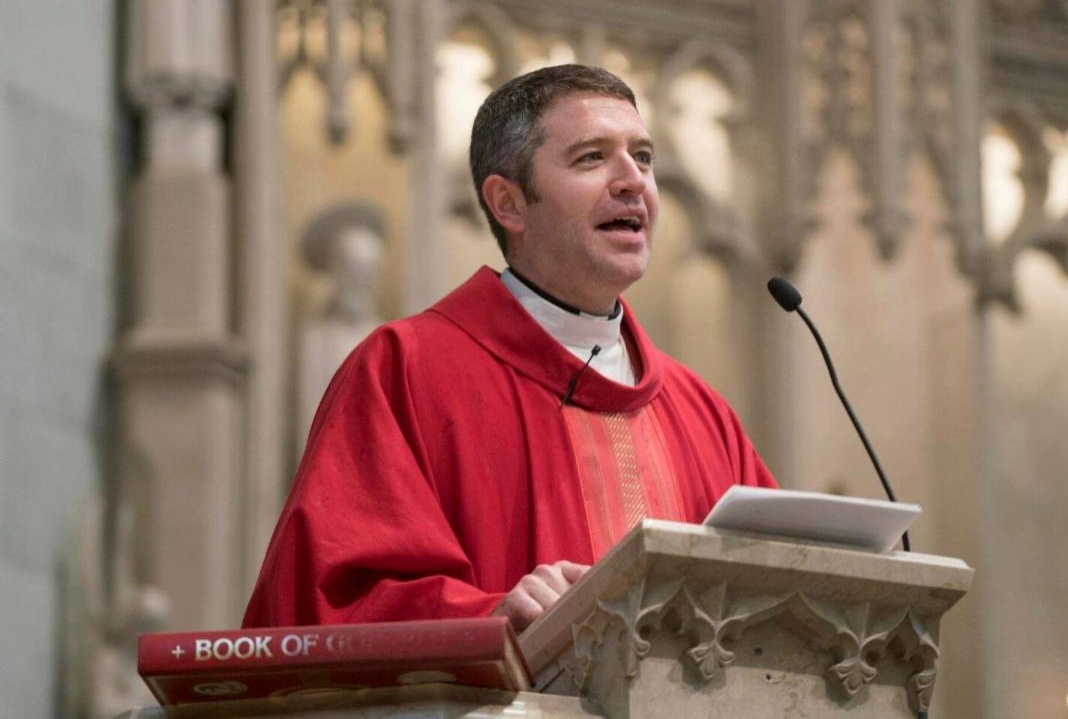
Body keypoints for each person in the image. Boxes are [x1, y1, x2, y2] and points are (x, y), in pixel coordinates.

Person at [243, 64, 776, 632]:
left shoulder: (702, 413)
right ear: (509, 204)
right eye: (592, 158)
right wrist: (485, 620)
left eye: (643, 158)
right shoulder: (405, 370)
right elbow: (327, 604)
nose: (633, 181)